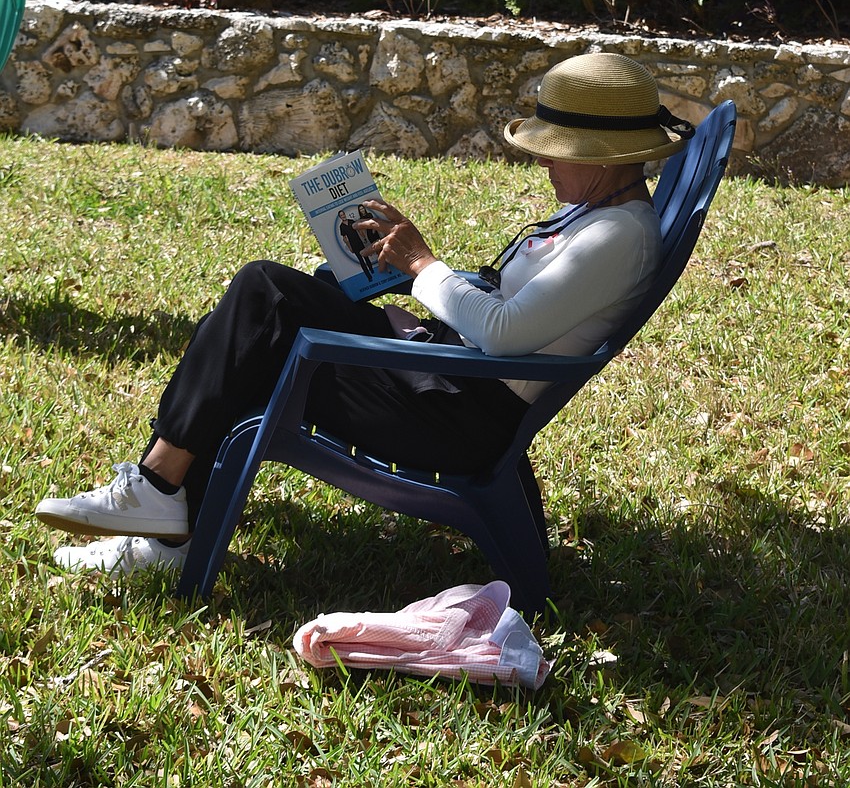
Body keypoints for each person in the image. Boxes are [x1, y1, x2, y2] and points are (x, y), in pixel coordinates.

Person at [35, 52, 694, 575]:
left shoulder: (618, 238)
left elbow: (504, 333)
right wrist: (409, 269)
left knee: (264, 305)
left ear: (607, 156)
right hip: (441, 372)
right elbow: (507, 309)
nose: (547, 159)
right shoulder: (596, 213)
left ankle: (158, 499)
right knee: (262, 301)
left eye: (560, 148)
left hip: (451, 413)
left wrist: (421, 268)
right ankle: (161, 504)